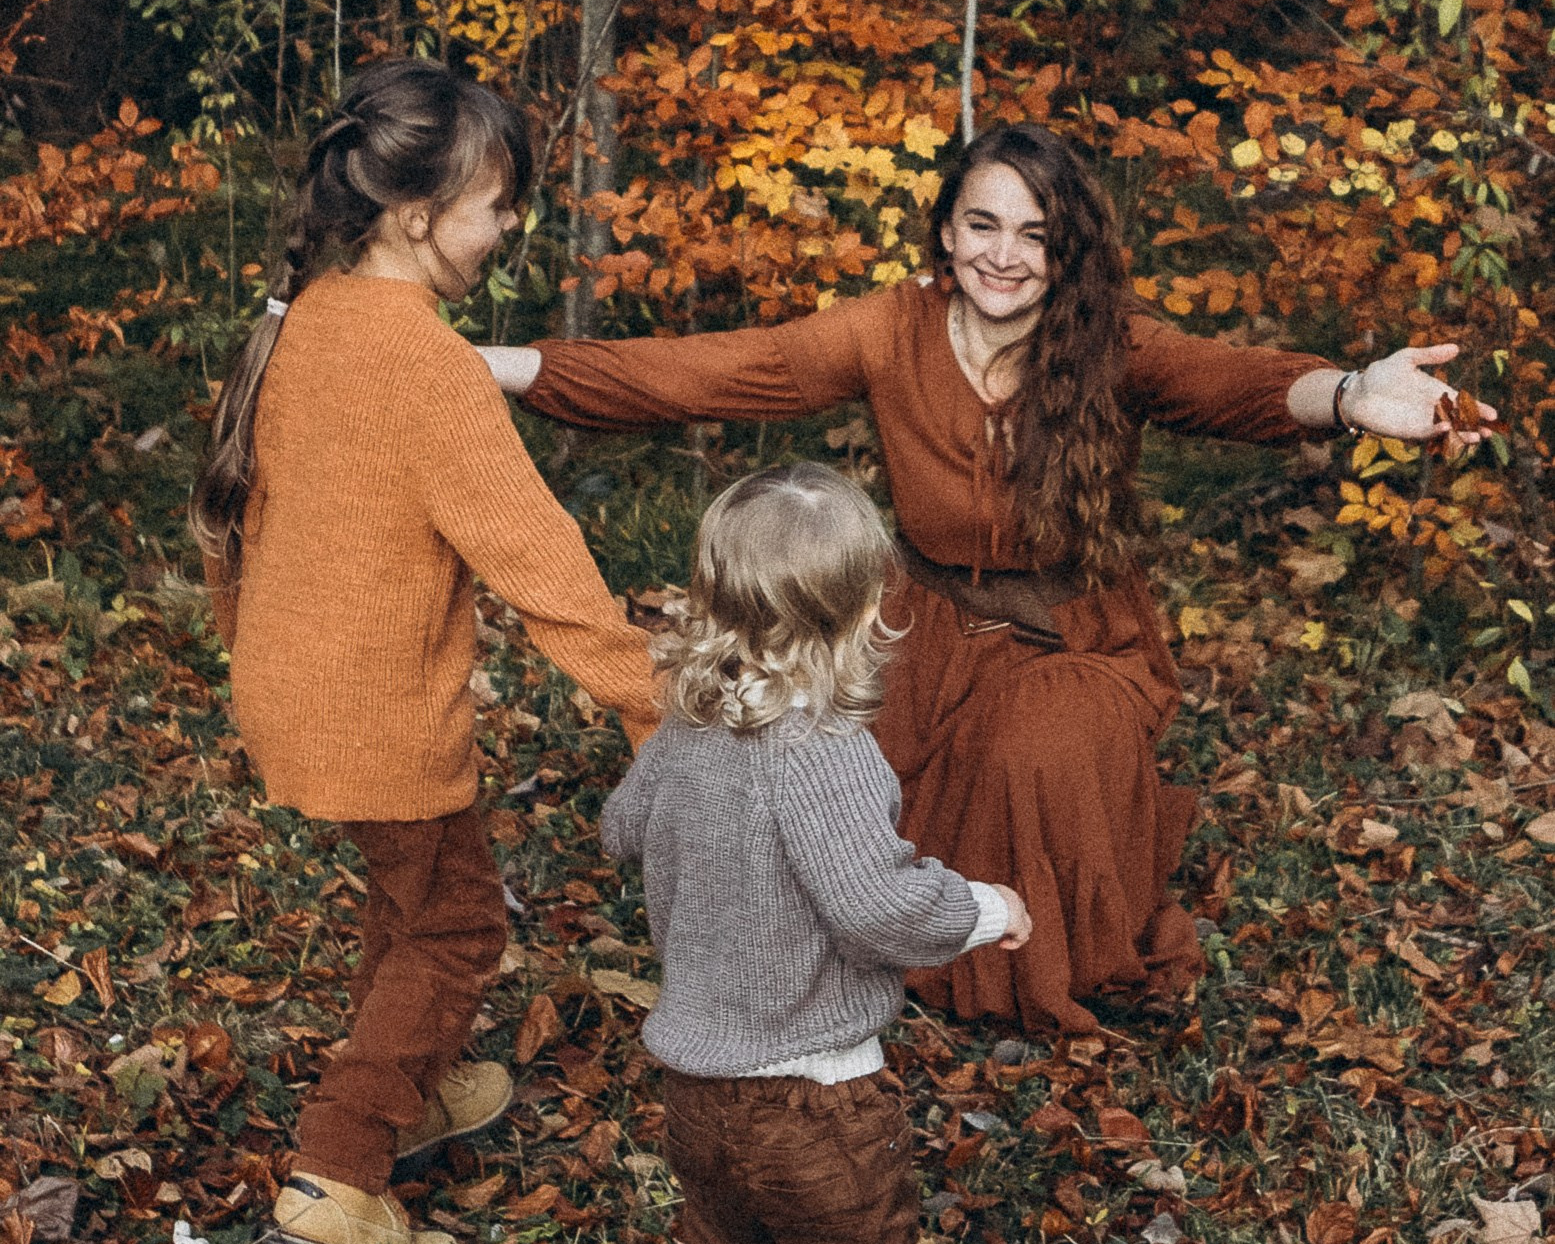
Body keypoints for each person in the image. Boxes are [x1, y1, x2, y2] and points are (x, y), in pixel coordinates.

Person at [483, 122, 1494, 1036]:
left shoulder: (1108, 337)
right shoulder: (893, 327)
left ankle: (1034, 962)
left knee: (1030, 751)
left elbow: (1227, 381)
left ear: (1066, 249)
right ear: (945, 230)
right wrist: (502, 366)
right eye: (982, 224)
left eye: (1034, 234)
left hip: (1077, 634)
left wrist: (1349, 392)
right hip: (921, 630)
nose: (1003, 255)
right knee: (808, 765)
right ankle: (885, 937)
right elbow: (716, 368)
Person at [192, 60, 659, 1244]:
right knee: (455, 923)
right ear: (414, 214)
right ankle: (338, 1170)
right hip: (377, 713)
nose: (509, 227)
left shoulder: (307, 320)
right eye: (496, 205)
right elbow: (540, 560)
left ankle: (419, 1076)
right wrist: (647, 697)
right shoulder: (429, 365)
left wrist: (252, 653)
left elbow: (237, 522)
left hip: (292, 688)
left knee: (411, 898)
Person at [601, 463, 1030, 1244]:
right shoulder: (823, 753)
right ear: (865, 611)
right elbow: (874, 906)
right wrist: (982, 908)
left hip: (696, 1083)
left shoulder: (686, 732)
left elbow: (620, 828)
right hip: (811, 1092)